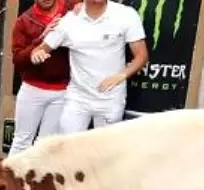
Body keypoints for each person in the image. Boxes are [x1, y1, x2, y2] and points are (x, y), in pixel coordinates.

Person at [30, 0, 147, 134]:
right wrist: (37, 55)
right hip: (77, 99)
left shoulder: (126, 15)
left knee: (103, 151)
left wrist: (120, 76)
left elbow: (141, 56)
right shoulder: (69, 21)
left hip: (111, 99)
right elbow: (40, 50)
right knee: (67, 147)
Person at [9, 0, 70, 156]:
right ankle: (11, 179)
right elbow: (18, 60)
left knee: (46, 145)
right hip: (32, 89)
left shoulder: (71, 9)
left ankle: (37, 180)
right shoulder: (24, 21)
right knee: (21, 141)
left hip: (62, 91)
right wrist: (42, 37)